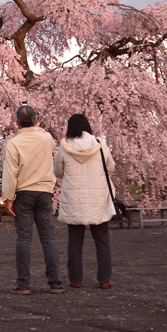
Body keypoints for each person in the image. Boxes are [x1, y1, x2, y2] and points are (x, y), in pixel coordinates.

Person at [0, 102, 65, 295]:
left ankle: (23, 284)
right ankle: (55, 283)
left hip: (24, 193)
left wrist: (8, 198)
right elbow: (50, 142)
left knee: (24, 239)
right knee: (48, 238)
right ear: (37, 120)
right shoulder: (47, 139)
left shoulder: (13, 144)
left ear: (16, 123)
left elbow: (10, 173)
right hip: (44, 192)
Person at [54, 113, 115, 289]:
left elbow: (58, 171)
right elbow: (110, 167)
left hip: (74, 200)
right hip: (98, 199)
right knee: (102, 240)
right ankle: (105, 279)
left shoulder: (64, 147)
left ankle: (75, 279)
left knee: (74, 241)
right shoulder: (99, 145)